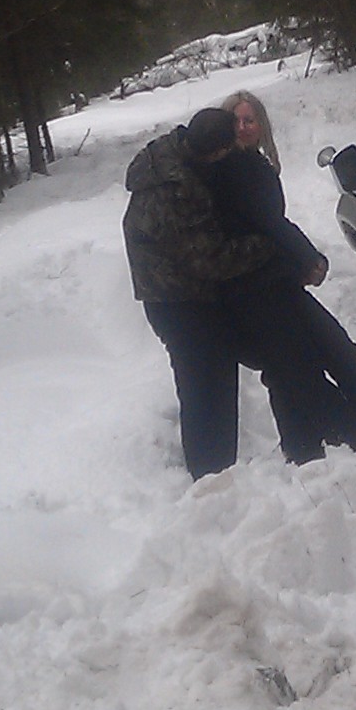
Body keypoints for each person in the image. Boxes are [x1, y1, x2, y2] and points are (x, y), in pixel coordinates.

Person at [208, 90, 356, 460]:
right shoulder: (232, 169)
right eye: (236, 121)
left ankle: (320, 449)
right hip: (254, 292)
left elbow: (271, 225)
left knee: (321, 359)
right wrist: (309, 258)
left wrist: (299, 260)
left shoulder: (252, 165)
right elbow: (269, 224)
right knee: (302, 368)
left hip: (276, 283)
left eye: (250, 120)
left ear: (262, 125)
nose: (243, 127)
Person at [123, 106, 281, 477]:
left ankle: (215, 471)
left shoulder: (166, 154)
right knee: (207, 386)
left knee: (208, 381)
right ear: (216, 151)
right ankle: (212, 476)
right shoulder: (180, 190)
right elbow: (211, 260)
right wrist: (267, 244)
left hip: (169, 294)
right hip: (178, 302)